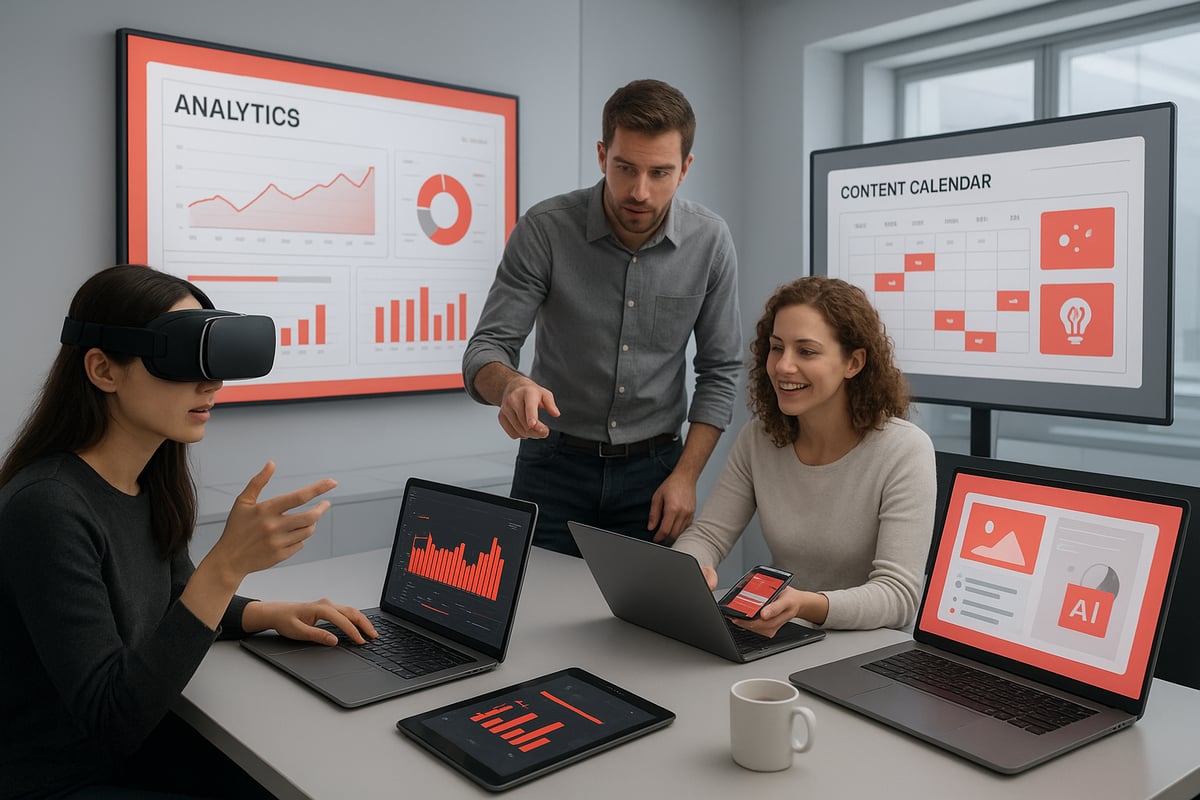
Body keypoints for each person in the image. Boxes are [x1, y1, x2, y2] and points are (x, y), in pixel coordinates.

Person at [0, 265, 378, 799]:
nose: (212, 384)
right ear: (103, 370)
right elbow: (112, 718)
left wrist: (267, 614)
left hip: (143, 748)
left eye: (212, 361)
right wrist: (227, 565)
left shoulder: (147, 481)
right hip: (65, 777)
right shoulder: (47, 507)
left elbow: (175, 596)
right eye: (178, 358)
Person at [462, 78, 742, 556]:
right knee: (532, 615)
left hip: (655, 476)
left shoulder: (710, 241)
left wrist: (687, 476)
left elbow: (720, 371)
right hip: (551, 465)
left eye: (660, 173)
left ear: (686, 168)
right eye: (625, 167)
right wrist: (510, 386)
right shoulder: (544, 230)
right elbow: (486, 349)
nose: (640, 191)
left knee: (643, 626)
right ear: (600, 155)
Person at [672, 276, 936, 632]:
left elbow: (898, 597)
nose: (782, 366)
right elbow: (707, 536)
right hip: (786, 635)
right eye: (777, 347)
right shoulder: (759, 438)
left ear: (853, 363)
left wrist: (806, 605)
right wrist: (687, 571)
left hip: (867, 653)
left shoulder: (905, 450)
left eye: (806, 351)